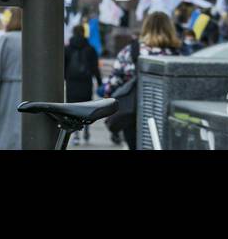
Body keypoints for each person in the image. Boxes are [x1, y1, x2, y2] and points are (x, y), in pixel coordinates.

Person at [101, 11, 181, 149]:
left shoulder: (131, 51)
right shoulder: (176, 54)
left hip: (134, 114)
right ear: (170, 29)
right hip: (167, 116)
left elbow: (113, 84)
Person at [0, 8, 23, 149]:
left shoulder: (6, 39)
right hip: (30, 91)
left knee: (5, 135)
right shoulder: (34, 39)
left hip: (7, 92)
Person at [64, 22, 101, 144]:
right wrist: (100, 83)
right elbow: (95, 68)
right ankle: (86, 130)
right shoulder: (90, 49)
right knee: (86, 108)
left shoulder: (67, 49)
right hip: (86, 83)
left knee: (72, 109)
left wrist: (64, 79)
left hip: (72, 83)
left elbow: (63, 66)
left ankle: (75, 135)